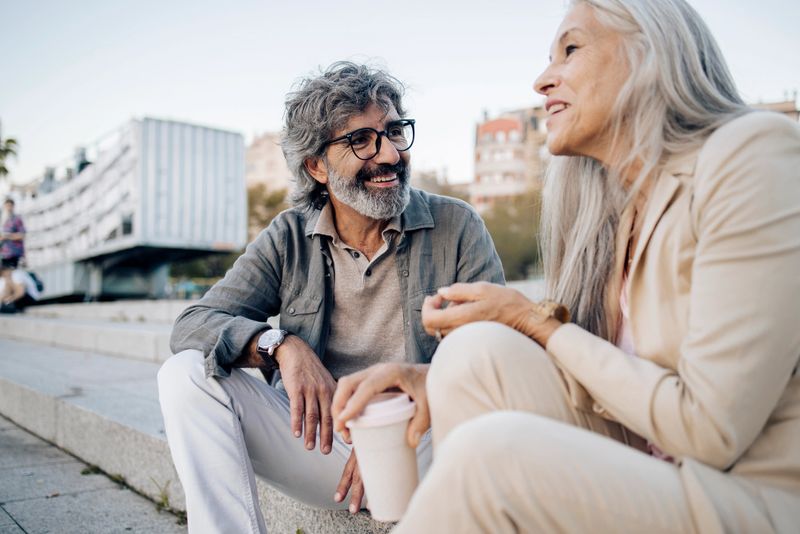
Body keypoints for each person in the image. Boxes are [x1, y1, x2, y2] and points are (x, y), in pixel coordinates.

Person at [332, 0, 800, 532]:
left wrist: (533, 320)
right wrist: (427, 378)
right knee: (470, 353)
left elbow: (710, 431)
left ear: (646, 53)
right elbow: (601, 369)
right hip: (656, 463)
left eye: (570, 50)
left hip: (742, 498)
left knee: (493, 456)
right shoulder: (616, 210)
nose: (542, 80)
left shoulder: (752, 152)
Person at [157, 61, 504, 533]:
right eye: (360, 140)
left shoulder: (457, 225)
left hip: (424, 436)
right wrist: (280, 345)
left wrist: (394, 430)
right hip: (323, 445)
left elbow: (495, 353)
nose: (388, 154)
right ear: (316, 166)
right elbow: (193, 324)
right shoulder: (288, 237)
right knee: (186, 374)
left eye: (394, 132)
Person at [1, 198, 26, 269]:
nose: (8, 208)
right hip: (4, 254)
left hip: (14, 254)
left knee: (14, 275)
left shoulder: (17, 219)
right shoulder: (4, 220)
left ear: (13, 206)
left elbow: (22, 235)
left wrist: (7, 236)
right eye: (7, 206)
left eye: (10, 206)